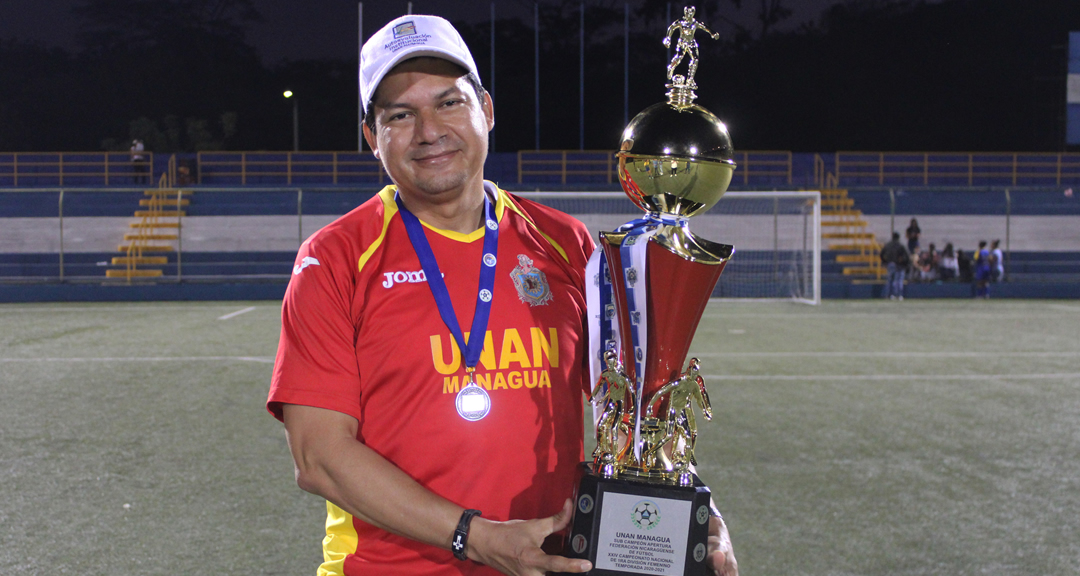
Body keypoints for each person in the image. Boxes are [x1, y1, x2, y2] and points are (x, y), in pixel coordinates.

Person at [266, 14, 738, 576]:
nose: (429, 130)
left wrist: (685, 516)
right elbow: (319, 458)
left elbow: (627, 406)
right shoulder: (336, 258)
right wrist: (476, 537)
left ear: (485, 110)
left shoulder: (564, 241)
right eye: (400, 115)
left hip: (548, 563)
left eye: (449, 103)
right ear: (372, 137)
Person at [880, 231, 910, 300]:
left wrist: (884, 261)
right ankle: (898, 295)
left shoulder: (888, 245)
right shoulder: (900, 245)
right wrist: (905, 263)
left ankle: (889, 295)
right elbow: (906, 255)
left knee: (890, 280)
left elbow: (881, 254)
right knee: (898, 280)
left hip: (890, 264)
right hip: (898, 265)